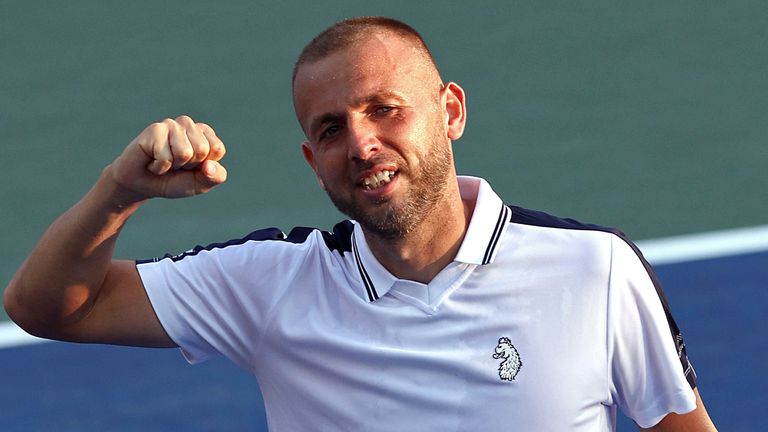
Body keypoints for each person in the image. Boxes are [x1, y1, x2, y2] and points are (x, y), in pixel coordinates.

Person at [4, 16, 716, 431]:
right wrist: (118, 193)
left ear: (451, 111)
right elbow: (46, 308)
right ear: (314, 162)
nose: (363, 143)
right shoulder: (266, 285)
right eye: (333, 129)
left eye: (385, 108)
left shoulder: (594, 269)